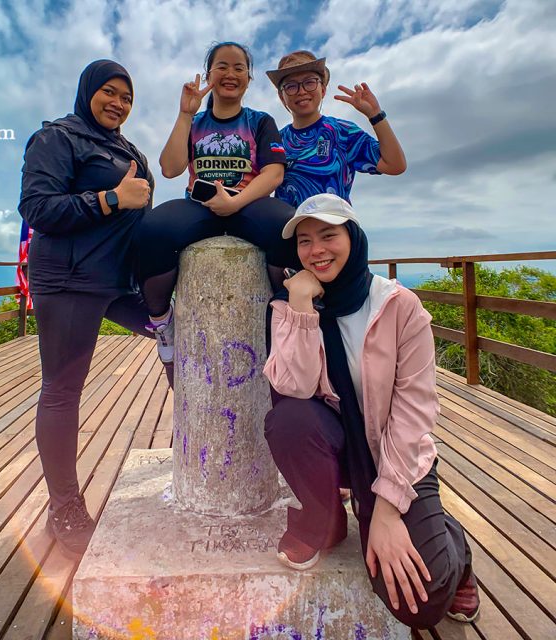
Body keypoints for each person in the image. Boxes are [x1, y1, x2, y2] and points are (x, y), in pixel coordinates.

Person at [264, 194, 479, 626]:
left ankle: (456, 548)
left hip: (396, 456)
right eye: (305, 241)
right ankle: (323, 521)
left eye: (329, 235)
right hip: (341, 449)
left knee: (417, 604)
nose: (316, 250)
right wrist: (304, 308)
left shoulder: (399, 307)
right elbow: (294, 385)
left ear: (354, 237)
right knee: (288, 418)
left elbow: (415, 410)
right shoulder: (291, 309)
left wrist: (385, 509)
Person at [17, 59, 155, 555]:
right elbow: (37, 209)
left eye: (127, 97)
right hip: (70, 281)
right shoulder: (58, 138)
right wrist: (110, 199)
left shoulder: (128, 149)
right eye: (109, 93)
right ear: (88, 91)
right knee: (62, 389)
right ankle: (64, 505)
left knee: (178, 338)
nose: (118, 103)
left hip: (118, 283)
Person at [134, 42, 298, 366]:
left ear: (249, 79)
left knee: (289, 227)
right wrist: (184, 114)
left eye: (239, 68)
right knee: (152, 229)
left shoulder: (260, 121)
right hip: (200, 206)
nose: (230, 74)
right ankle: (162, 320)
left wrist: (236, 203)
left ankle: (286, 317)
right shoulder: (195, 123)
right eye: (222, 66)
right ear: (209, 74)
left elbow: (274, 173)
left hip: (248, 203)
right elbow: (170, 168)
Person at [266, 51, 406, 207]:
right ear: (281, 96)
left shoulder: (343, 131)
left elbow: (395, 165)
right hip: (288, 229)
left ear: (323, 90)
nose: (301, 91)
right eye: (291, 86)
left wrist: (375, 115)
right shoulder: (276, 141)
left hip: (335, 227)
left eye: (310, 82)